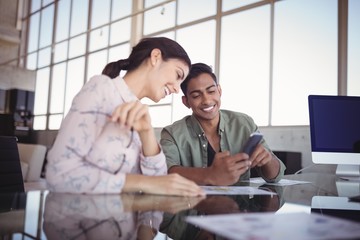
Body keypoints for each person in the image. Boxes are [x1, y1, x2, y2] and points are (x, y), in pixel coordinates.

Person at [45, 37, 205, 196]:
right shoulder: (102, 88)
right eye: (178, 75)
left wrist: (147, 133)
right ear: (155, 57)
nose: (178, 89)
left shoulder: (140, 114)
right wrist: (141, 183)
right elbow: (58, 174)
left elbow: (159, 183)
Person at [160, 63, 286, 186]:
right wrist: (210, 174)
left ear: (219, 91)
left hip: (239, 205)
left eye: (211, 91)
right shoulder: (172, 134)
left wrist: (267, 160)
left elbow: (275, 176)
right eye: (196, 95)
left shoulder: (243, 123)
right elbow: (166, 172)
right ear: (186, 101)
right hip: (192, 205)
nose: (207, 100)